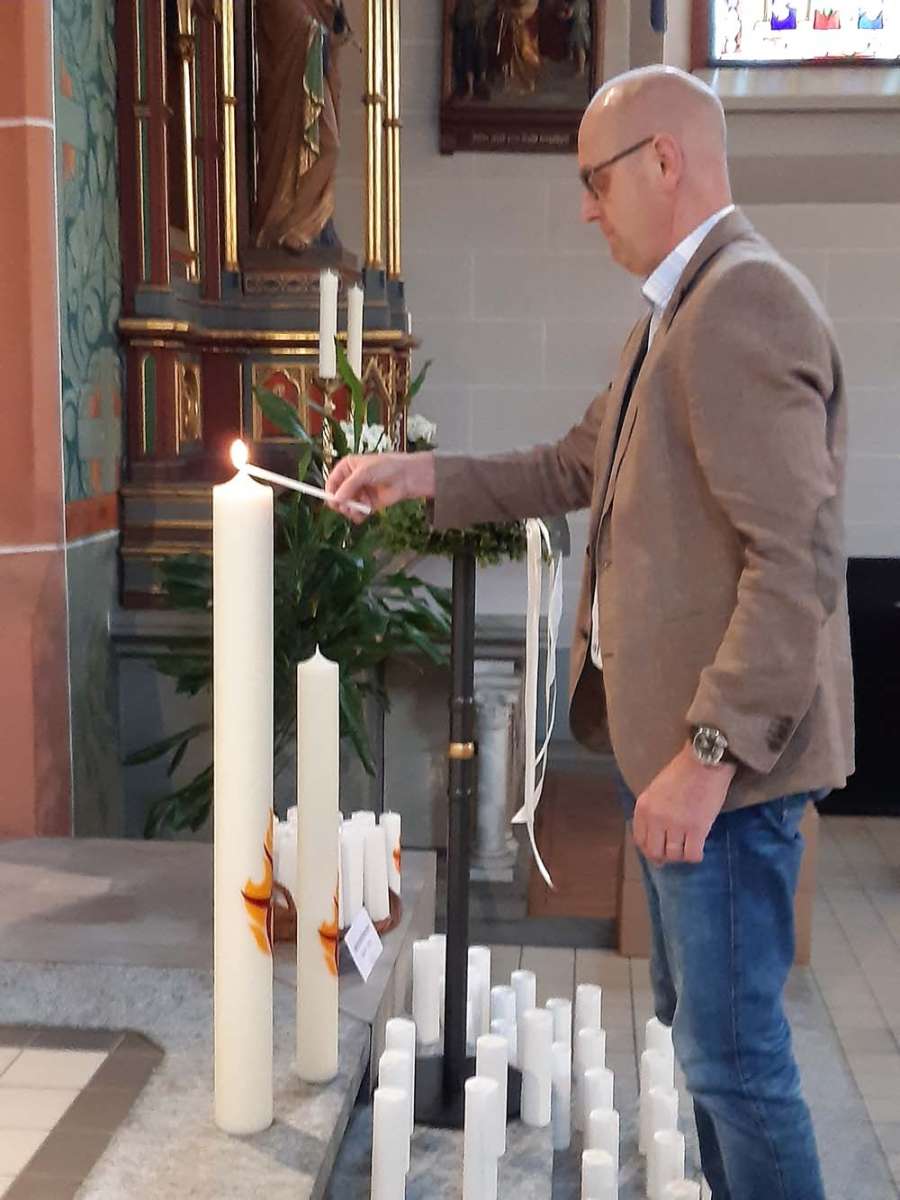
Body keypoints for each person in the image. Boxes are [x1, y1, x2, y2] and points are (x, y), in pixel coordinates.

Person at [327, 65, 853, 1200]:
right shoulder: (675, 310)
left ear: (664, 160)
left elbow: (796, 562)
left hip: (721, 778)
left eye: (594, 179)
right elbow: (577, 464)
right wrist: (423, 474)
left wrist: (708, 757)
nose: (584, 208)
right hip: (675, 759)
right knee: (704, 1049)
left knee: (737, 1065)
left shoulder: (743, 304)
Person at [253, 0, 351, 252]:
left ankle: (304, 225)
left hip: (313, 70)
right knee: (328, 146)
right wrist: (319, 34)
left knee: (328, 146)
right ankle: (289, 226)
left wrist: (333, 19)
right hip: (292, 81)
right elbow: (281, 14)